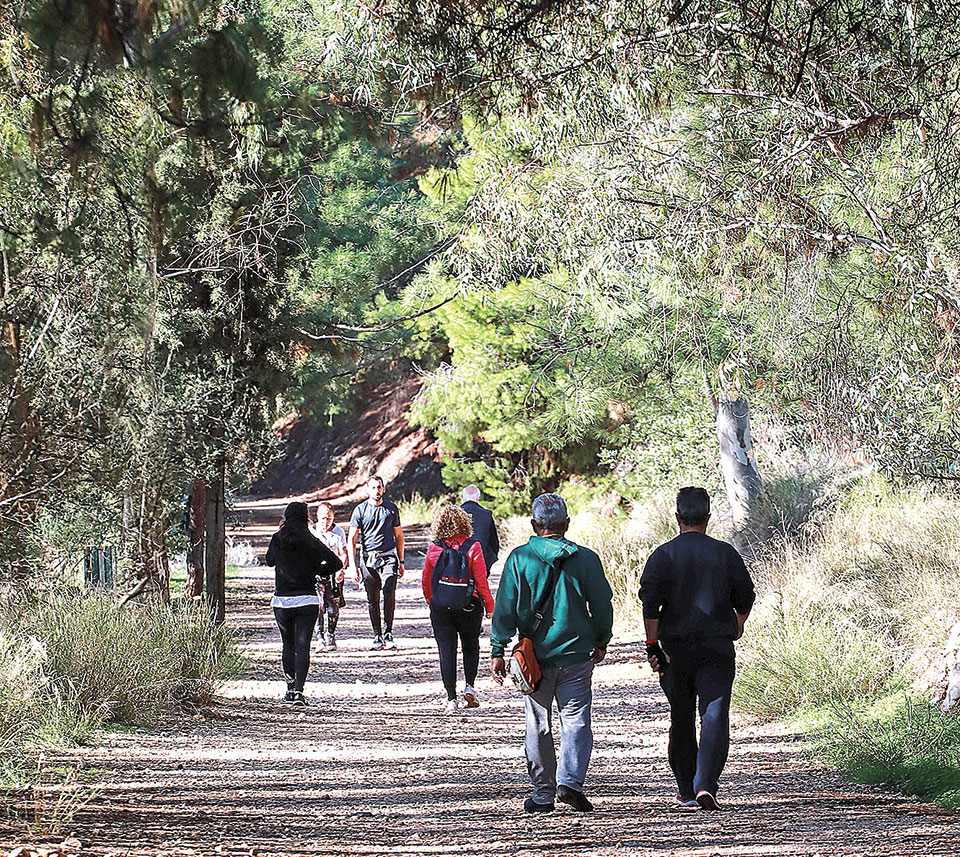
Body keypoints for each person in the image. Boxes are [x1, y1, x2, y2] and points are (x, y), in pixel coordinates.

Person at [490, 493, 613, 814]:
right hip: (576, 656)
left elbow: (504, 609)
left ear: (534, 525)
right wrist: (601, 639)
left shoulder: (519, 559)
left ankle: (543, 794)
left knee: (538, 722)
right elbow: (602, 605)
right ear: (567, 524)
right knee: (576, 722)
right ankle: (570, 783)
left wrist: (498, 649)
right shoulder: (586, 559)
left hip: (533, 660)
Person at [639, 487, 756, 811]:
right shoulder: (725, 553)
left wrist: (652, 645)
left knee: (681, 715)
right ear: (708, 517)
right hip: (717, 646)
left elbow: (650, 604)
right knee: (714, 713)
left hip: (675, 649)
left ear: (677, 517)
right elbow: (746, 594)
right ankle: (706, 783)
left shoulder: (663, 555)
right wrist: (738, 623)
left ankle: (686, 790)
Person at [265, 501, 343, 705]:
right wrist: (317, 570)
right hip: (306, 599)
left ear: (286, 517)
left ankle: (289, 689)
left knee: (287, 645)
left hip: (282, 600)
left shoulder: (277, 539)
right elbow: (336, 563)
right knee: (303, 645)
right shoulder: (311, 540)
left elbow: (269, 560)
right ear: (306, 518)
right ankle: (299, 691)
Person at [422, 505, 496, 714]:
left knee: (446, 651)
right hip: (469, 605)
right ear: (465, 523)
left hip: (441, 606)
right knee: (470, 646)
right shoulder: (474, 547)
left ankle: (451, 699)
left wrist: (432, 601)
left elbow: (427, 579)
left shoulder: (434, 548)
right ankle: (470, 687)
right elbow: (481, 581)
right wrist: (490, 606)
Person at [347, 475, 405, 651]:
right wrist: (352, 565)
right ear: (367, 490)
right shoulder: (360, 510)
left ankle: (388, 634)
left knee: (389, 590)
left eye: (379, 487)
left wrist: (401, 561)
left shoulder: (391, 509)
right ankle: (377, 636)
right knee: (372, 598)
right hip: (368, 559)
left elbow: (399, 536)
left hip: (388, 557)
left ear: (384, 489)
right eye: (373, 488)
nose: (376, 491)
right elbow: (352, 538)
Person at [311, 502, 348, 650]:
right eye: (323, 519)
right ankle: (319, 637)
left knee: (333, 606)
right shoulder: (310, 532)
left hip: (333, 573)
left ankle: (330, 634)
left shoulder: (338, 532)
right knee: (318, 605)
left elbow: (343, 553)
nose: (325, 522)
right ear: (317, 517)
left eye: (329, 519)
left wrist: (341, 569)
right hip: (316, 574)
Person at [460, 484, 500, 573]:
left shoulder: (453, 514)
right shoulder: (486, 515)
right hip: (481, 562)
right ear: (478, 497)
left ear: (462, 497)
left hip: (456, 565)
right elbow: (494, 544)